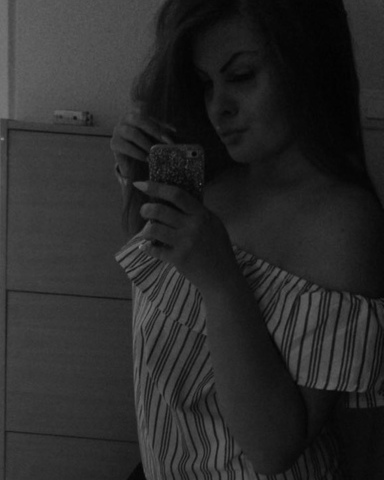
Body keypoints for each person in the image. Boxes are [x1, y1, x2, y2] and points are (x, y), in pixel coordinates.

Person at [111, 0, 384, 478]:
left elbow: (273, 448)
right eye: (205, 83)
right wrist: (132, 176)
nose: (219, 106)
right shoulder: (211, 176)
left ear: (307, 64)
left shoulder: (342, 224)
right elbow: (157, 290)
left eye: (241, 76)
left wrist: (222, 282)